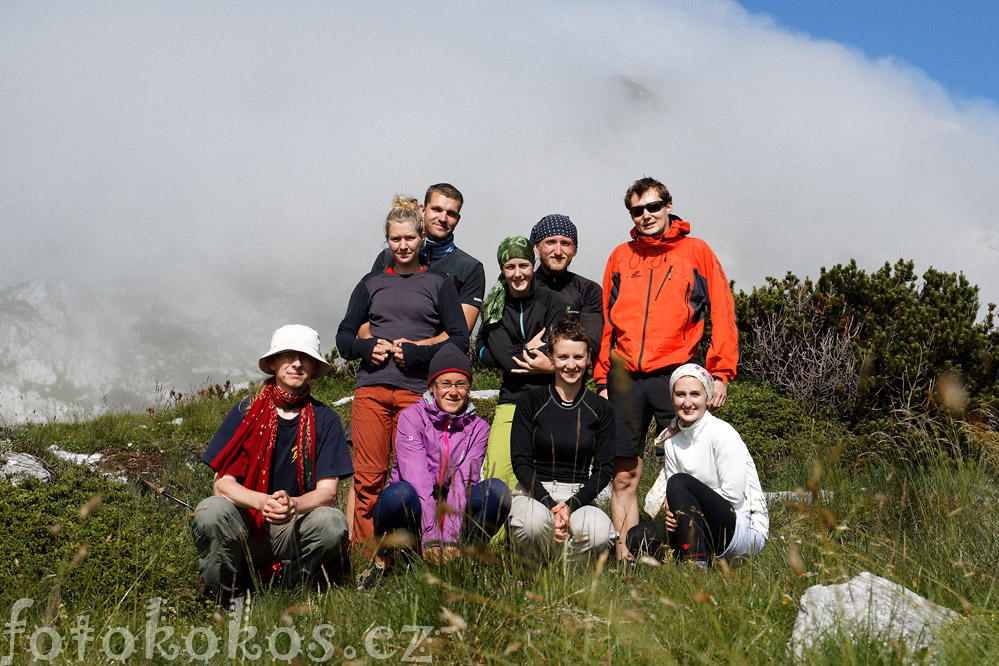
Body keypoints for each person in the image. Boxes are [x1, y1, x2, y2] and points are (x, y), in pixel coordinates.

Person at [596, 177, 740, 561]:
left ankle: (692, 552)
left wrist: (720, 372)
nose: (646, 216)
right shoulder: (620, 256)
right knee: (624, 475)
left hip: (676, 373)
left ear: (668, 205)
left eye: (653, 207)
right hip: (624, 378)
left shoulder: (696, 252)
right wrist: (601, 378)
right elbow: (608, 324)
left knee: (690, 471)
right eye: (637, 210)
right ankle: (630, 556)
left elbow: (722, 311)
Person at [337, 196, 470, 549]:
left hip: (415, 397)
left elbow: (460, 338)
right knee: (368, 477)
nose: (403, 245)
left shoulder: (440, 284)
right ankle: (367, 555)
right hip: (371, 391)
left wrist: (417, 352)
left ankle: (416, 549)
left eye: (409, 238)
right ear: (387, 241)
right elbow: (344, 337)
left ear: (422, 237)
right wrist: (367, 348)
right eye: (395, 239)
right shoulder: (370, 283)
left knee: (415, 478)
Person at [191, 325, 353, 606]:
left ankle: (288, 589)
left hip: (292, 526)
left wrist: (293, 506)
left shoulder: (325, 419)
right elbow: (222, 483)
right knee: (211, 509)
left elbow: (327, 493)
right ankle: (226, 595)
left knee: (332, 522)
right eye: (289, 355)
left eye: (305, 358)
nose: (297, 363)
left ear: (314, 367)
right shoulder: (245, 411)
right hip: (244, 524)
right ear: (273, 363)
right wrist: (262, 501)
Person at [358, 345, 512, 588]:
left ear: (469, 387)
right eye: (445, 383)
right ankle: (385, 562)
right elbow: (417, 479)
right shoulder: (412, 417)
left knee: (497, 492)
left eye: (460, 384)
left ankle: (466, 561)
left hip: (452, 513)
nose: (453, 391)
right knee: (400, 494)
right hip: (414, 509)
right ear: (431, 386)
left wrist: (449, 539)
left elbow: (464, 481)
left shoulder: (479, 428)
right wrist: (431, 539)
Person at [626, 364, 767, 565]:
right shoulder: (672, 440)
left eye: (695, 394)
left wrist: (688, 506)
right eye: (680, 394)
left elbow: (734, 497)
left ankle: (695, 566)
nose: (688, 402)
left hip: (742, 528)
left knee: (679, 482)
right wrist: (673, 514)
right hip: (698, 527)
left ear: (707, 397)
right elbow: (675, 497)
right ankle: (699, 557)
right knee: (636, 536)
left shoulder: (722, 433)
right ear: (672, 398)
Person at [508, 316, 616, 560]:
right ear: (551, 356)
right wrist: (550, 504)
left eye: (578, 357)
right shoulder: (529, 403)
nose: (571, 365)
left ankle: (571, 579)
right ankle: (535, 573)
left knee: (600, 533)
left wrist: (571, 505)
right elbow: (521, 463)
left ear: (588, 357)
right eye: (563, 357)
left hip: (580, 495)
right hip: (534, 492)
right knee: (531, 524)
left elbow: (603, 471)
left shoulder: (601, 409)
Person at [475, 235, 565, 490]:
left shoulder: (552, 302)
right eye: (510, 267)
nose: (518, 274)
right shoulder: (493, 307)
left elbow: (558, 349)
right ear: (502, 270)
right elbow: (507, 359)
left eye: (523, 265)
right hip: (511, 399)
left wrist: (513, 353)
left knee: (543, 478)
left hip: (550, 399)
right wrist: (530, 349)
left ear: (532, 264)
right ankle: (498, 531)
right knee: (498, 475)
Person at [371, 183, 485, 332]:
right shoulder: (387, 258)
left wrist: (416, 348)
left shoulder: (470, 269)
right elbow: (364, 315)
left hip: (438, 354)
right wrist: (372, 346)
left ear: (458, 219)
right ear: (422, 210)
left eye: (450, 213)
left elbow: (460, 333)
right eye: (436, 209)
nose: (443, 218)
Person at [529, 214, 603, 358]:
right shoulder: (521, 288)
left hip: (570, 376)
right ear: (537, 248)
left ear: (574, 250)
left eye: (565, 243)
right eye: (550, 242)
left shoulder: (588, 290)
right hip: (521, 377)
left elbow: (591, 344)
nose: (558, 251)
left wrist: (551, 363)